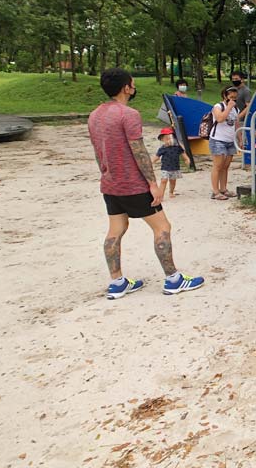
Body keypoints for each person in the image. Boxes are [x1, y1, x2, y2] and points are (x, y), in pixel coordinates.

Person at [87, 68, 204, 298]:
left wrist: (105, 173)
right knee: (162, 227)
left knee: (115, 230)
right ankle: (173, 280)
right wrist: (152, 183)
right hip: (133, 184)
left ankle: (117, 282)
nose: (134, 87)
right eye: (132, 83)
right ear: (126, 88)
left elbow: (97, 151)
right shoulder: (128, 114)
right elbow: (138, 151)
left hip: (110, 183)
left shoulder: (95, 115)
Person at [209, 86, 240, 200]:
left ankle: (223, 189)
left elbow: (236, 124)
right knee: (218, 165)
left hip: (230, 140)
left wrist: (240, 139)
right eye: (231, 97)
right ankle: (215, 191)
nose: (233, 100)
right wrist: (229, 107)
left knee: (225, 166)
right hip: (218, 139)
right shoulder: (218, 106)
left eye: (235, 98)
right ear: (225, 96)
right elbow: (220, 119)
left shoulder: (236, 109)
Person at [153, 127, 188, 197]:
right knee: (163, 181)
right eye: (166, 139)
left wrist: (187, 159)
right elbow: (157, 156)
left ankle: (171, 192)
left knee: (173, 181)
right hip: (165, 167)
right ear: (162, 140)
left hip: (175, 167)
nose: (169, 140)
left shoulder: (177, 147)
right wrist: (152, 161)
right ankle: (161, 195)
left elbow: (183, 152)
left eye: (170, 138)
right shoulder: (163, 148)